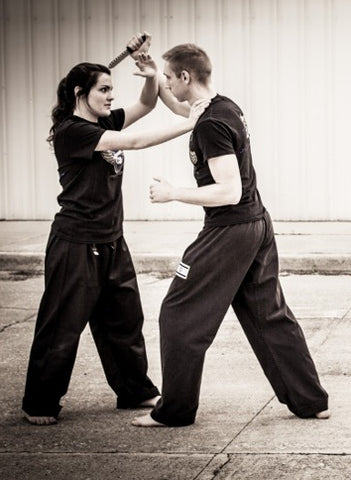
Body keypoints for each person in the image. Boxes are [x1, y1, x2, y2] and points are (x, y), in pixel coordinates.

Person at [132, 43, 330, 427]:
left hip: (229, 229)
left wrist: (173, 193)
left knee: (178, 314)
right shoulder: (223, 106)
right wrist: (155, 73)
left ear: (186, 77)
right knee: (268, 315)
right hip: (256, 223)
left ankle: (175, 411)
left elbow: (228, 190)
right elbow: (177, 107)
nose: (169, 86)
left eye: (171, 79)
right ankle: (311, 401)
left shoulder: (210, 124)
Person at [22, 33, 209, 426]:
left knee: (124, 319)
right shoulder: (72, 131)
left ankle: (134, 390)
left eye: (112, 88)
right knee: (62, 324)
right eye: (103, 89)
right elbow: (135, 141)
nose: (110, 96)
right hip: (75, 241)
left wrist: (150, 75)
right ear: (80, 92)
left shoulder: (104, 120)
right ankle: (39, 401)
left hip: (110, 238)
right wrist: (190, 124)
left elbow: (144, 105)